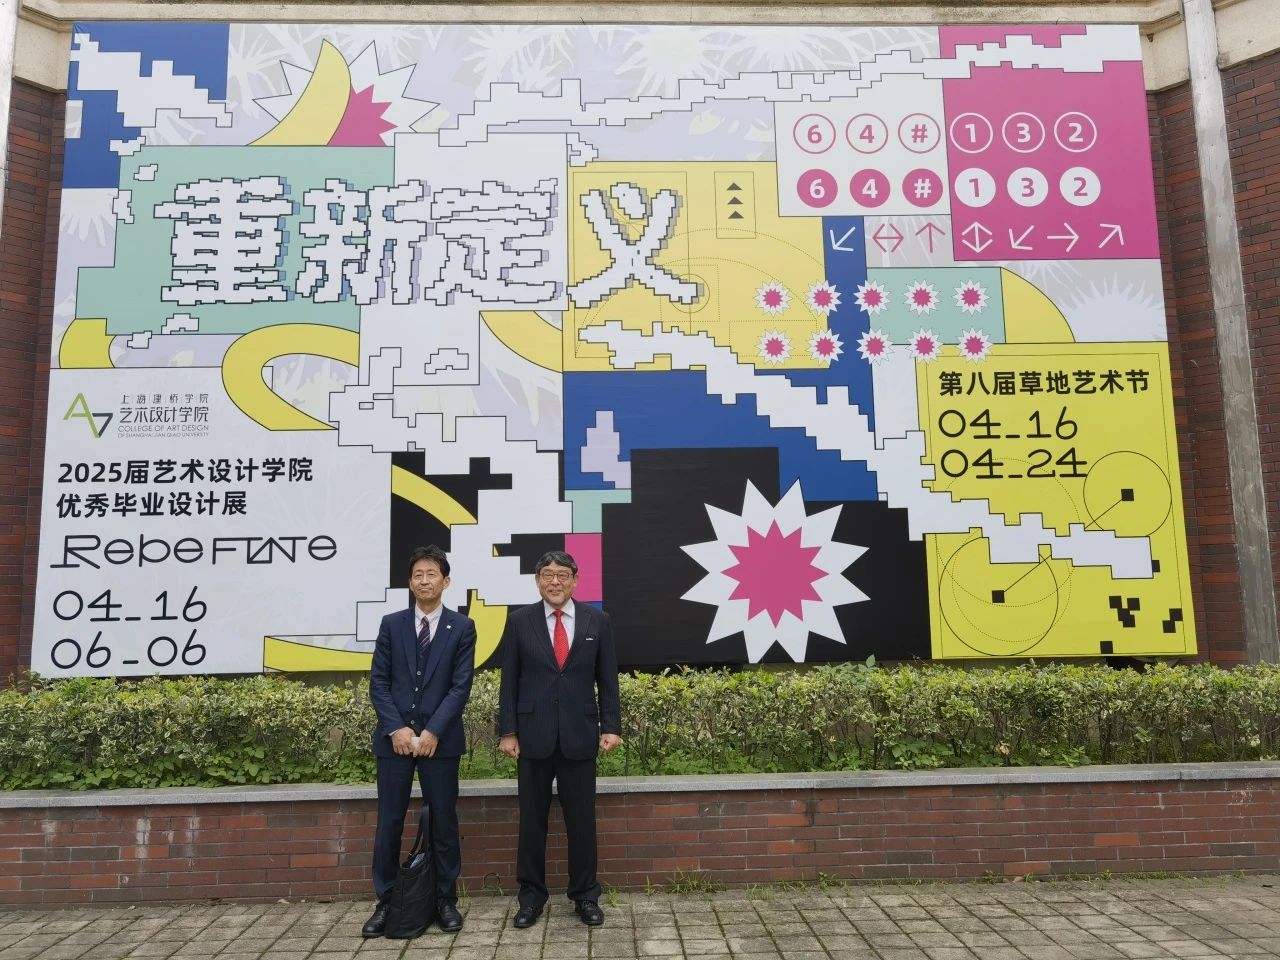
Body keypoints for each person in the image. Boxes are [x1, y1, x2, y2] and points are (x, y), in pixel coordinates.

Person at [497, 549, 622, 929]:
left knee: (581, 823)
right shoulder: (519, 622)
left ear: (575, 580)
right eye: (548, 575)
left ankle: (585, 896)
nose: (555, 581)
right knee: (532, 823)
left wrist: (611, 727)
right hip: (532, 738)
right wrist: (507, 731)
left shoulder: (598, 621)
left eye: (563, 575)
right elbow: (509, 681)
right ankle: (531, 898)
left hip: (579, 736)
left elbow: (608, 679)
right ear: (538, 581)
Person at [364, 545, 476, 937]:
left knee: (442, 821)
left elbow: (460, 686)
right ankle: (387, 901)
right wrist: (396, 728)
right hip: (393, 741)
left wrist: (433, 731)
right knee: (389, 822)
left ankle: (445, 899)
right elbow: (378, 682)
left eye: (431, 574)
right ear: (410, 582)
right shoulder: (391, 624)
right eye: (417, 575)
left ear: (446, 581)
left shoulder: (461, 627)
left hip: (440, 742)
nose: (424, 580)